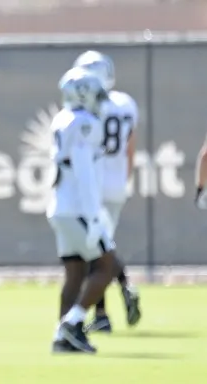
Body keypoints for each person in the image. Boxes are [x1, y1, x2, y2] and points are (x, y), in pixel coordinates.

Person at [48, 67, 117, 354]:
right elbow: (85, 171)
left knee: (74, 273)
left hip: (59, 204)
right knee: (107, 265)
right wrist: (92, 217)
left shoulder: (62, 119)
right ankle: (72, 323)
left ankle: (62, 337)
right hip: (78, 206)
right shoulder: (86, 123)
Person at [73, 50, 141, 333]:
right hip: (117, 184)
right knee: (101, 247)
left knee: (95, 251)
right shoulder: (126, 103)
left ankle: (103, 313)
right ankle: (114, 298)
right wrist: (125, 179)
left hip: (96, 183)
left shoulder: (92, 108)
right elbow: (130, 149)